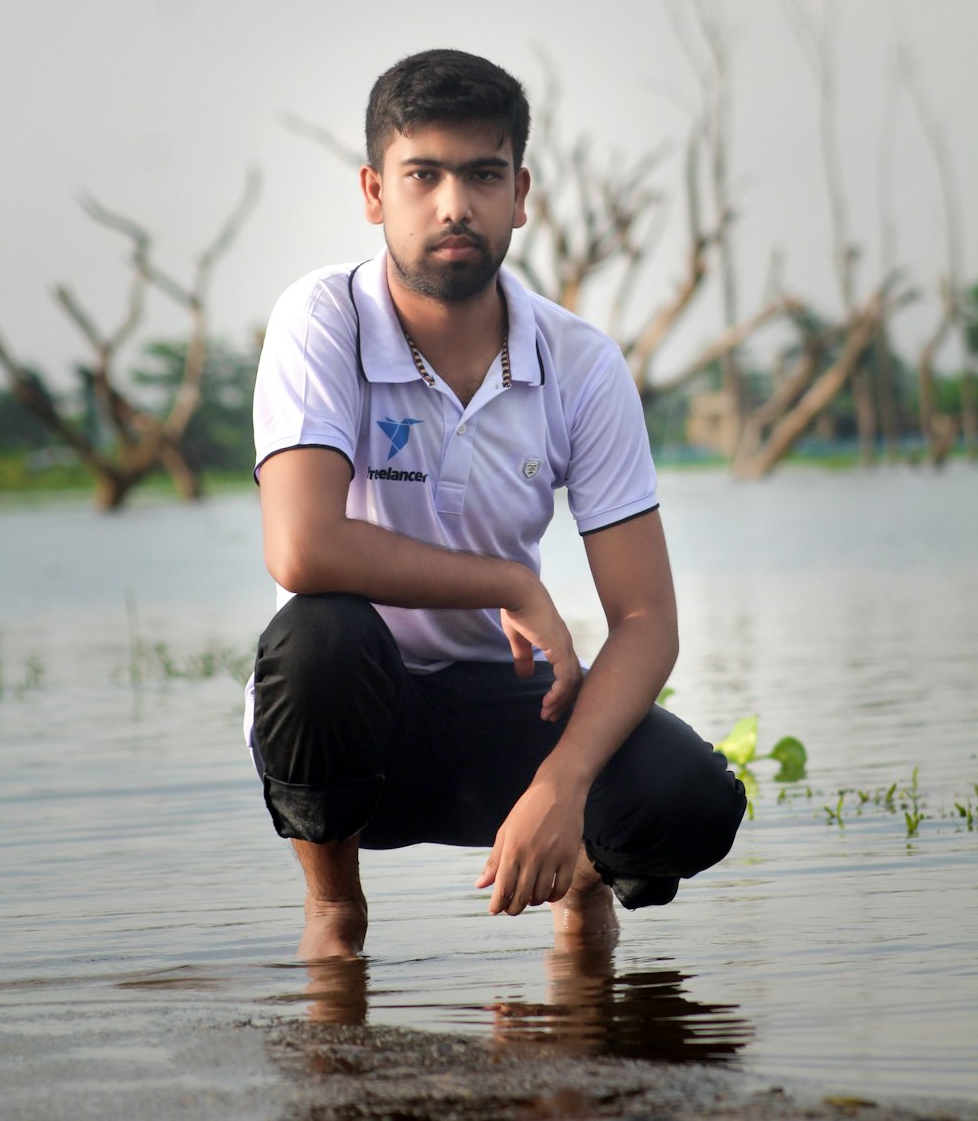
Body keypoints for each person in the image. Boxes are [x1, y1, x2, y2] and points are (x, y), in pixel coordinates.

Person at [244, 48, 745, 960]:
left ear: (520, 193)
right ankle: (334, 910)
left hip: (509, 703)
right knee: (318, 637)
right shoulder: (324, 319)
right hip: (361, 718)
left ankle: (581, 887)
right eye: (422, 175)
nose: (453, 205)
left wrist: (563, 786)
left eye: (480, 175)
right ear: (373, 192)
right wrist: (511, 582)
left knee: (690, 799)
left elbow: (646, 617)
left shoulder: (579, 360)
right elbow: (302, 547)